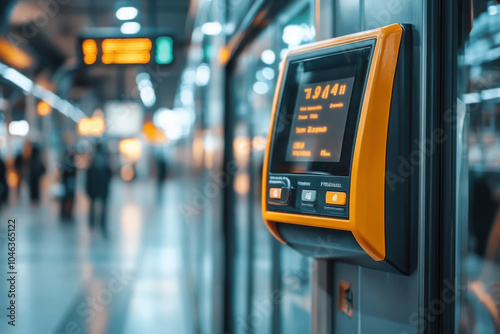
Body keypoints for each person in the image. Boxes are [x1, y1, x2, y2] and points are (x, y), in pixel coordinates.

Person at [85, 143, 112, 237]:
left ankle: (93, 226)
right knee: (102, 209)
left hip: (95, 188)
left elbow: (88, 175)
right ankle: (101, 226)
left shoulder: (93, 160)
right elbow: (109, 174)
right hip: (102, 188)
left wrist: (88, 188)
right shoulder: (105, 160)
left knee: (93, 208)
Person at [60, 147, 77, 221]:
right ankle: (67, 212)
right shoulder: (70, 161)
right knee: (68, 198)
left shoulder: (67, 160)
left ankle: (66, 212)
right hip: (69, 181)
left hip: (68, 181)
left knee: (67, 198)